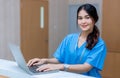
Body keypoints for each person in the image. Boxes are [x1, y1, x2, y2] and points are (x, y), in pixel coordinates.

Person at [27, 3, 107, 78]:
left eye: (87, 17)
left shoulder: (100, 44)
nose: (83, 21)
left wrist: (61, 66)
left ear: (94, 19)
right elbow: (59, 59)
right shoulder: (69, 38)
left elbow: (86, 67)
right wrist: (44, 60)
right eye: (80, 18)